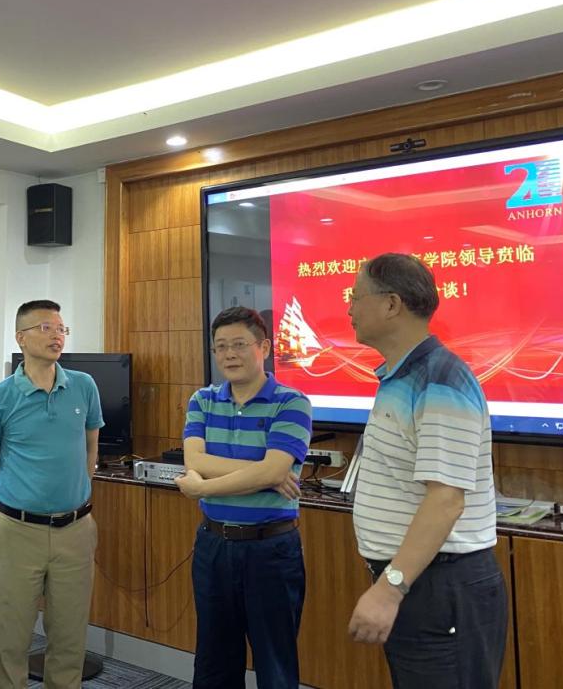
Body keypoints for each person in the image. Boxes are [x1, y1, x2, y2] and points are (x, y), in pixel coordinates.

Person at [346, 253, 506, 688]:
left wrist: (390, 588)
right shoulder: (402, 376)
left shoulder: (440, 381)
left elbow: (446, 499)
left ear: (391, 304)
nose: (349, 308)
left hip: (440, 584)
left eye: (356, 297)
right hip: (421, 580)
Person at [175, 306, 311, 689]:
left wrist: (203, 487)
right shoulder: (203, 399)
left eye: (239, 344)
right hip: (213, 545)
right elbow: (194, 460)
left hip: (271, 550)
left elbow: (271, 471)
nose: (229, 354)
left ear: (263, 347)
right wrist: (263, 472)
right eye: (220, 347)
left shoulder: (291, 402)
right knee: (214, 661)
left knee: (275, 664)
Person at [0, 299, 103, 689]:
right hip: (18, 532)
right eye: (45, 328)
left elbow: (91, 449)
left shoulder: (83, 386)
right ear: (21, 338)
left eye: (61, 328)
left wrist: (75, 494)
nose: (57, 335)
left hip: (75, 530)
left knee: (69, 636)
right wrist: (15, 501)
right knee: (11, 634)